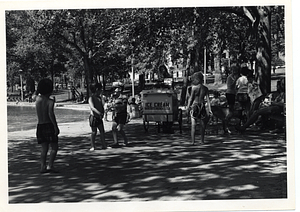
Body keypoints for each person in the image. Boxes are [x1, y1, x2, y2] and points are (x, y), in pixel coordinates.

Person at [35, 78, 60, 173]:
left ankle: (42, 166)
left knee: (44, 148)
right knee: (54, 147)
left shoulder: (37, 99)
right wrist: (55, 126)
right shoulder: (50, 101)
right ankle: (50, 165)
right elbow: (50, 114)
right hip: (48, 125)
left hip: (40, 125)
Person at [186, 72, 212, 145]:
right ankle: (202, 140)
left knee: (193, 124)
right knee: (202, 124)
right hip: (202, 106)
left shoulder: (194, 88)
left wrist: (188, 107)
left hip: (195, 106)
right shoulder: (205, 88)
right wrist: (209, 110)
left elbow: (191, 99)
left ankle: (193, 141)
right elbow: (208, 100)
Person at [88, 82, 107, 151]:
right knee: (94, 132)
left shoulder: (99, 98)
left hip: (99, 117)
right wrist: (99, 113)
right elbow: (92, 107)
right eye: (100, 90)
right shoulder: (91, 98)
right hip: (94, 117)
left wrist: (103, 112)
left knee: (102, 131)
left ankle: (104, 145)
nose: (101, 91)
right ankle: (93, 146)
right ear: (96, 89)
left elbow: (102, 106)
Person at [111, 83, 129, 147]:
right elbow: (112, 105)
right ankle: (116, 142)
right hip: (116, 115)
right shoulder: (114, 97)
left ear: (119, 89)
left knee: (120, 129)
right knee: (113, 128)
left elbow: (124, 106)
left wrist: (116, 106)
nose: (115, 90)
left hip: (122, 114)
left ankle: (125, 140)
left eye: (116, 88)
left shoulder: (124, 97)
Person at [224, 65, 240, 134]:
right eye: (234, 71)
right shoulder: (229, 77)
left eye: (236, 71)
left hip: (233, 93)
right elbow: (230, 86)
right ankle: (226, 121)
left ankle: (230, 121)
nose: (235, 72)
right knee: (231, 108)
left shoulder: (235, 77)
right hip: (229, 93)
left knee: (233, 108)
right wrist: (235, 80)